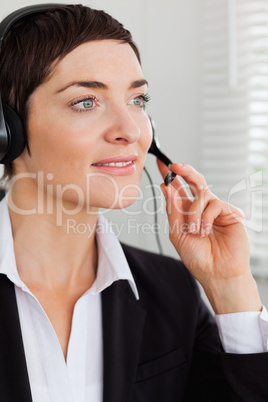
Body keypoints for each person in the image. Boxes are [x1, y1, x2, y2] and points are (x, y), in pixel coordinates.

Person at [0, 4, 267, 402]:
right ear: (8, 131)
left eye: (138, 100)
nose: (131, 131)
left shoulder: (172, 290)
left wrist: (230, 287)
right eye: (86, 102)